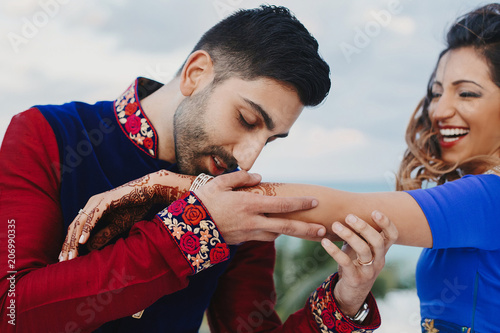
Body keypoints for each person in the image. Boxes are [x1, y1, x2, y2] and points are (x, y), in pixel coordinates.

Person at [64, 3, 500, 332]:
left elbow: (345, 207)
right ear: (196, 73)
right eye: (437, 91)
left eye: (467, 94)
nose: (439, 109)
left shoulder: (489, 197)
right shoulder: (54, 133)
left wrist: (172, 187)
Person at [0, 5, 395, 333]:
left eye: (271, 139)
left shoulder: (238, 201)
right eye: (246, 119)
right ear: (196, 74)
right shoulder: (46, 135)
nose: (250, 156)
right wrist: (196, 228)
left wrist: (346, 301)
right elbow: (12, 312)